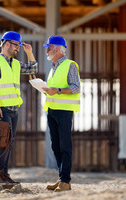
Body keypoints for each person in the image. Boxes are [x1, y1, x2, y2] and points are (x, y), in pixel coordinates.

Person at [0, 31, 38, 184]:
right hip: (2, 109)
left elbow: (32, 70)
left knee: (9, 142)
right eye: (17, 45)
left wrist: (29, 53)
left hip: (14, 109)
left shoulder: (15, 64)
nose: (18, 48)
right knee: (4, 141)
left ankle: (3, 174)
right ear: (7, 44)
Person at [42, 35, 80, 192]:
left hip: (64, 112)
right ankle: (62, 178)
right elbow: (55, 90)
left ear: (57, 49)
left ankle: (65, 180)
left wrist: (56, 91)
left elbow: (75, 87)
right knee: (55, 146)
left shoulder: (70, 65)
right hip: (52, 110)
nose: (47, 51)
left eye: (48, 48)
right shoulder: (53, 67)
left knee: (65, 146)